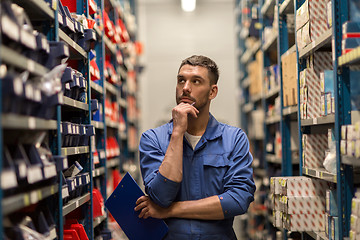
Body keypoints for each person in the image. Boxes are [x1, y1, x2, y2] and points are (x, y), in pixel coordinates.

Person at [135, 55, 256, 239]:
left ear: (212, 92)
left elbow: (239, 200)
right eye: (181, 80)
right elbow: (160, 197)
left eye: (196, 81)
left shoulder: (234, 139)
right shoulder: (153, 139)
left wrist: (170, 210)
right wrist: (177, 134)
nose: (185, 87)